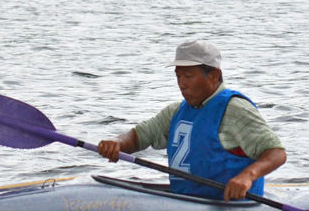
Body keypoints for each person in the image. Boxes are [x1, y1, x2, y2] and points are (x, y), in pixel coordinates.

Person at [97, 40, 286, 202]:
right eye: (178, 76)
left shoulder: (234, 109)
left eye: (188, 76)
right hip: (187, 200)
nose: (182, 83)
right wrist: (117, 144)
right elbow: (139, 136)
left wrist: (247, 176)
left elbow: (277, 153)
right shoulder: (176, 112)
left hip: (234, 206)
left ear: (213, 75)